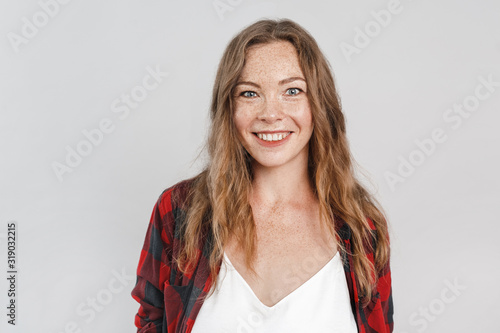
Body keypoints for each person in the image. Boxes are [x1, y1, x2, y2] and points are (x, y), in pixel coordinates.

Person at [131, 18, 393, 333]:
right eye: (249, 94)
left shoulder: (362, 226)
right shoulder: (179, 211)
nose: (270, 113)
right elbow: (152, 322)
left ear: (319, 104)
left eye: (292, 90)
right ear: (228, 107)